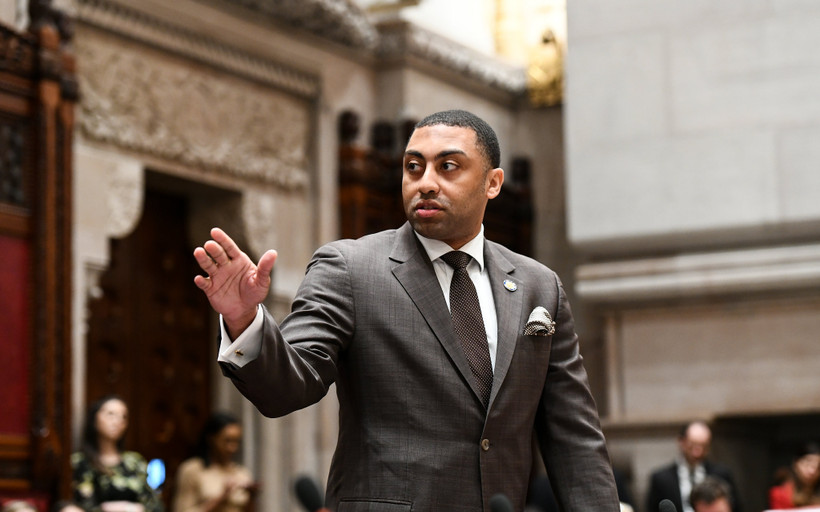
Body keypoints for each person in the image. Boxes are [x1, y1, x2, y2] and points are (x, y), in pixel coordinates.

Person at [193, 109, 620, 511]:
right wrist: (244, 320)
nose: (426, 182)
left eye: (447, 166)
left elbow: (574, 438)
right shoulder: (350, 268)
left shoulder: (537, 286)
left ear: (493, 183)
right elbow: (288, 387)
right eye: (414, 167)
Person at [71, 396, 163, 512]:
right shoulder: (80, 462)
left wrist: (130, 508)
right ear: (94, 418)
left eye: (123, 417)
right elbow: (81, 505)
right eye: (110, 414)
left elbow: (155, 505)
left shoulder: (135, 462)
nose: (117, 421)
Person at [172, 412, 259, 512]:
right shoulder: (193, 469)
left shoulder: (242, 473)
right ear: (211, 438)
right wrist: (222, 497)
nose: (232, 448)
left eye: (236, 441)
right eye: (227, 441)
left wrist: (252, 497)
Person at [646, 421, 740, 512]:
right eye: (693, 445)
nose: (697, 452)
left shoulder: (721, 474)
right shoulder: (661, 479)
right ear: (681, 442)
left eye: (703, 446)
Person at [768, 442, 820, 509]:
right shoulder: (780, 494)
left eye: (818, 467)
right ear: (796, 463)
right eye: (807, 463)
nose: (812, 471)